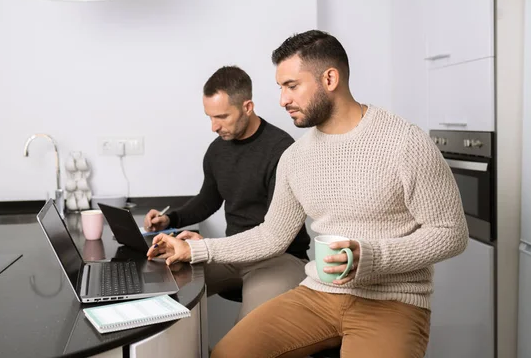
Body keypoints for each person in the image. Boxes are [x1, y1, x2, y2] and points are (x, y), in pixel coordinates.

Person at [147, 31, 468, 358]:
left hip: (393, 301)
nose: (283, 100)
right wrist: (193, 250)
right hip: (319, 295)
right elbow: (271, 235)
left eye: (292, 86)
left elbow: (451, 234)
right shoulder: (296, 157)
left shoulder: (405, 142)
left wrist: (372, 257)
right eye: (280, 88)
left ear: (329, 78)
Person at [143, 65, 311, 320]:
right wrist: (170, 220)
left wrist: (206, 247)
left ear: (247, 107)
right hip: (231, 254)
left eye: (221, 117)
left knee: (250, 335)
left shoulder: (282, 150)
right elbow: (208, 200)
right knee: (160, 288)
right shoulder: (217, 151)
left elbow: (274, 237)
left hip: (280, 258)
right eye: (209, 117)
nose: (213, 127)